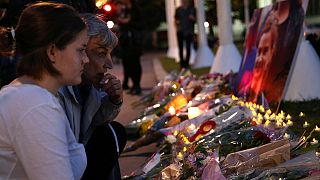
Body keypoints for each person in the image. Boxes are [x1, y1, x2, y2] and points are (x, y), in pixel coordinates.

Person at [0, 2, 89, 180]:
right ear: (52, 52)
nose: (86, 59)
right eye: (80, 50)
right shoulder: (35, 104)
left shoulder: (27, 94)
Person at [58, 13, 127, 180]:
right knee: (109, 136)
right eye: (101, 53)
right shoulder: (52, 93)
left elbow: (95, 120)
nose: (109, 64)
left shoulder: (87, 85)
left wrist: (113, 100)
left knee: (112, 132)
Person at [117, 0, 144, 95]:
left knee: (135, 63)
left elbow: (141, 25)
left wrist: (128, 22)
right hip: (125, 41)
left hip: (135, 41)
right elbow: (120, 22)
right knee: (128, 64)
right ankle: (133, 84)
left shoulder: (136, 10)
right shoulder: (124, 9)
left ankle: (137, 85)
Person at [175, 0, 196, 69]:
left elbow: (195, 20)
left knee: (188, 47)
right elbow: (175, 20)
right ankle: (182, 64)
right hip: (180, 31)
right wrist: (177, 26)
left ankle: (186, 63)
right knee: (180, 48)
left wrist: (192, 18)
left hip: (189, 31)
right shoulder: (178, 10)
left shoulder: (192, 9)